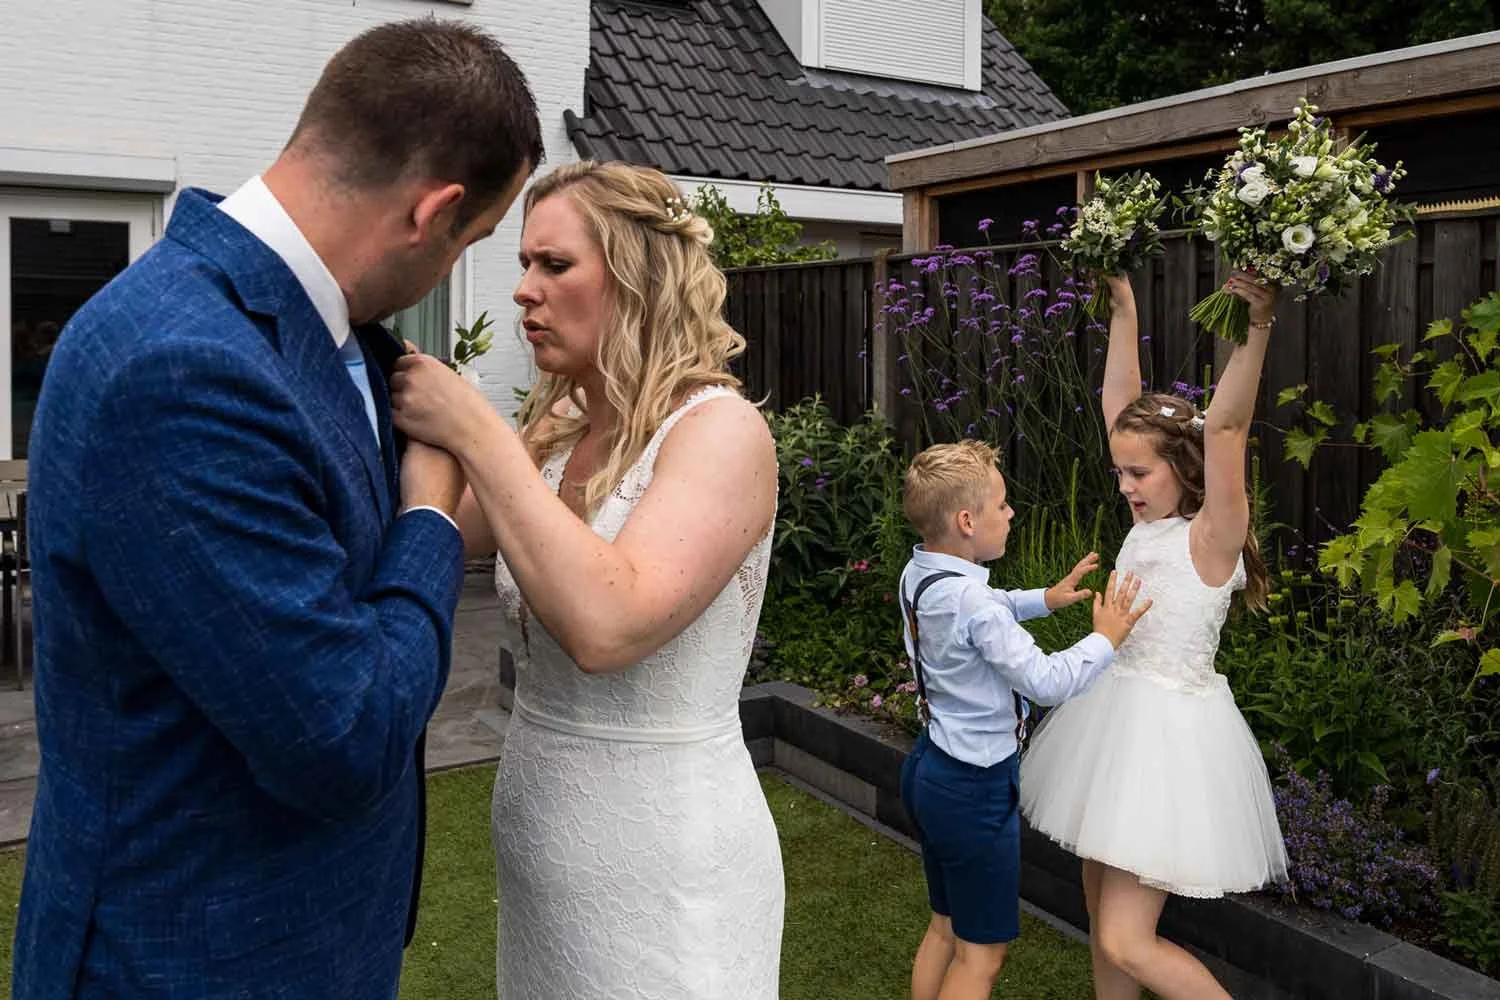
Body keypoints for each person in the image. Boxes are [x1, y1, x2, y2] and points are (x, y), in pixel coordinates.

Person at [13, 20, 542, 999]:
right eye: (468, 243)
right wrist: (428, 518)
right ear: (433, 212)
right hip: (192, 956)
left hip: (320, 934)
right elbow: (342, 736)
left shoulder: (339, 338)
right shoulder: (179, 366)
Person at [388, 160, 784, 998]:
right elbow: (426, 536)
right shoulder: (559, 435)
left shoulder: (721, 432)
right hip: (541, 843)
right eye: (524, 264)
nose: (525, 290)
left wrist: (476, 430)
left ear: (638, 279)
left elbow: (610, 624)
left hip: (666, 860)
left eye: (554, 265)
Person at [1019, 273, 1290, 999]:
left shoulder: (1212, 539)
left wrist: (1258, 325)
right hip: (1110, 728)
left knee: (1124, 937)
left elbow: (1228, 427)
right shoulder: (1149, 523)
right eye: (1119, 472)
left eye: (1139, 472)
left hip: (1167, 747)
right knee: (1096, 912)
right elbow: (1121, 405)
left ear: (1186, 466)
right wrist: (1125, 307)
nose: (1126, 486)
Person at [894, 439, 1151, 1000]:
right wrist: (1103, 639)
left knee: (944, 927)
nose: (1011, 514)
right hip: (973, 789)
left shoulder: (921, 576)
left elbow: (981, 608)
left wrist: (1045, 598)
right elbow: (1047, 682)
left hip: (929, 770)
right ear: (967, 521)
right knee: (982, 957)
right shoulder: (976, 606)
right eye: (1002, 505)